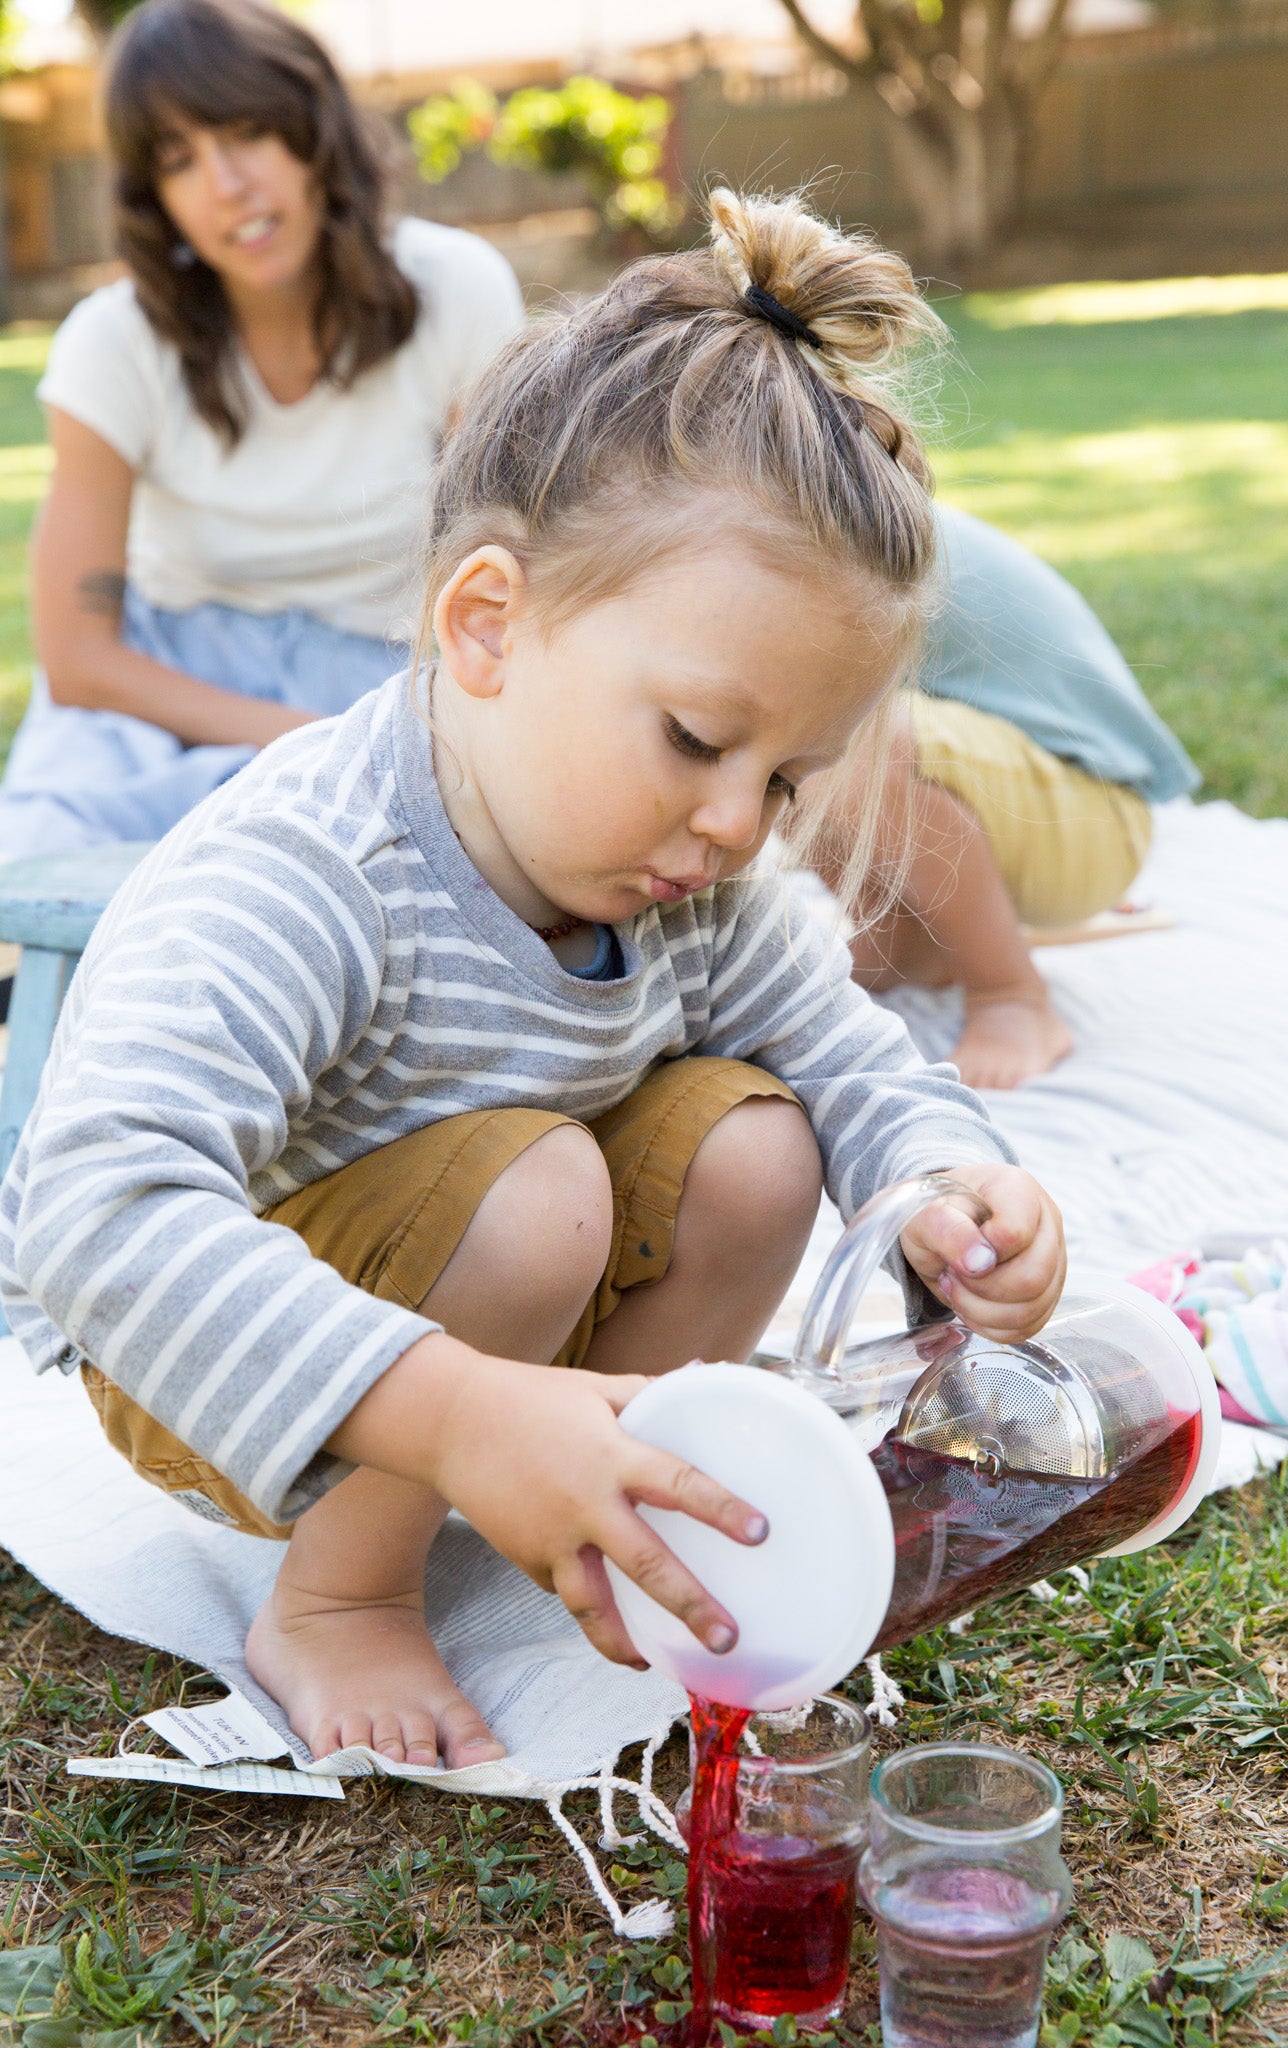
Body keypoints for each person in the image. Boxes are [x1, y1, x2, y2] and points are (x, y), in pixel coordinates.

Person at [0, 190, 1067, 1772]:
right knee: (548, 1189)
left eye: (786, 780)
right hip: (235, 1371)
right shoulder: (310, 865)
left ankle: (587, 1494)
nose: (732, 822)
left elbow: (849, 1052)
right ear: (487, 623)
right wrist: (456, 1413)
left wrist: (941, 1184)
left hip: (506, 1340)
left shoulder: (693, 878)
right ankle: (342, 1596)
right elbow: (92, 1212)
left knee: (763, 1141)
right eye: (700, 741)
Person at [0, 0, 522, 856]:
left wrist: (365, 735)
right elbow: (78, 658)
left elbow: (505, 563)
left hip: (385, 678)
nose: (225, 185)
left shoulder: (456, 288)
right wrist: (289, 733)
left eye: (246, 134)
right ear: (153, 200)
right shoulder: (113, 342)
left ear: (313, 131)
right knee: (33, 870)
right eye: (179, 162)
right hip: (169, 695)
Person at [821, 506, 1201, 1091]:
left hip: (1092, 820)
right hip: (1023, 805)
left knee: (843, 729)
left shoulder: (840, 525)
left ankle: (1011, 994)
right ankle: (905, 942)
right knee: (783, 725)